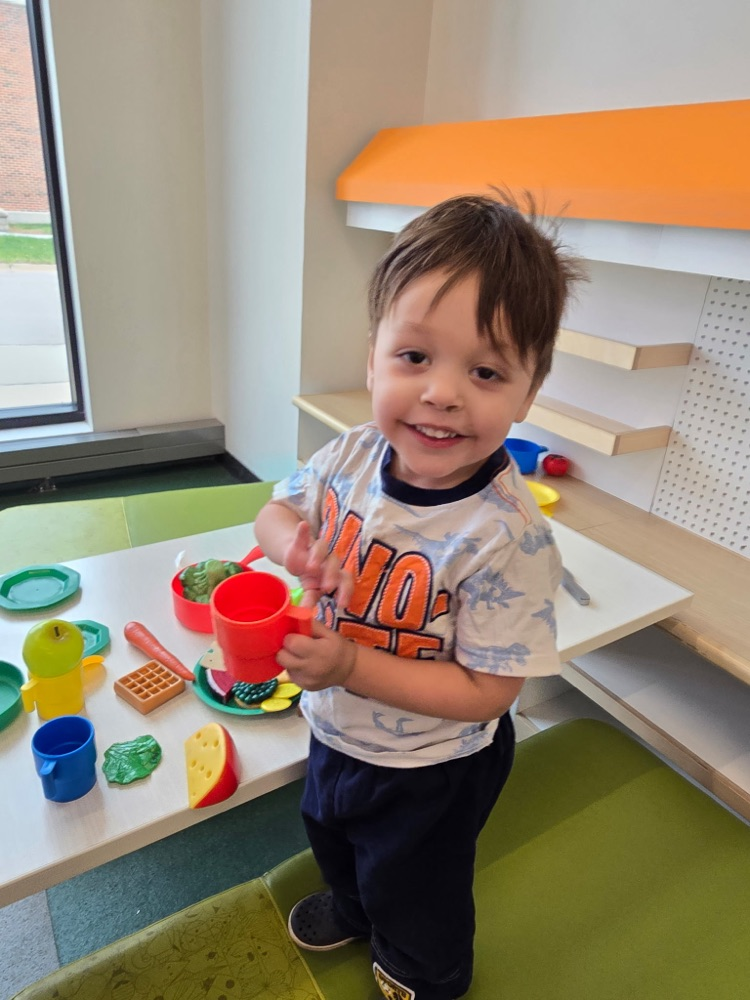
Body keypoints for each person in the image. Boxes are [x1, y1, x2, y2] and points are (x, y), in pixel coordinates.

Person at [253, 191, 584, 1000]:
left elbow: (487, 693)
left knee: (421, 889)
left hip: (431, 768)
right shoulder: (351, 454)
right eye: (414, 359)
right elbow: (274, 508)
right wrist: (287, 541)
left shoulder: (507, 538)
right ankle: (356, 904)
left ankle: (422, 973)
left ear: (529, 392)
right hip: (336, 725)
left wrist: (349, 667)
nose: (442, 394)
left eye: (484, 371)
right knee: (330, 830)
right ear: (373, 358)